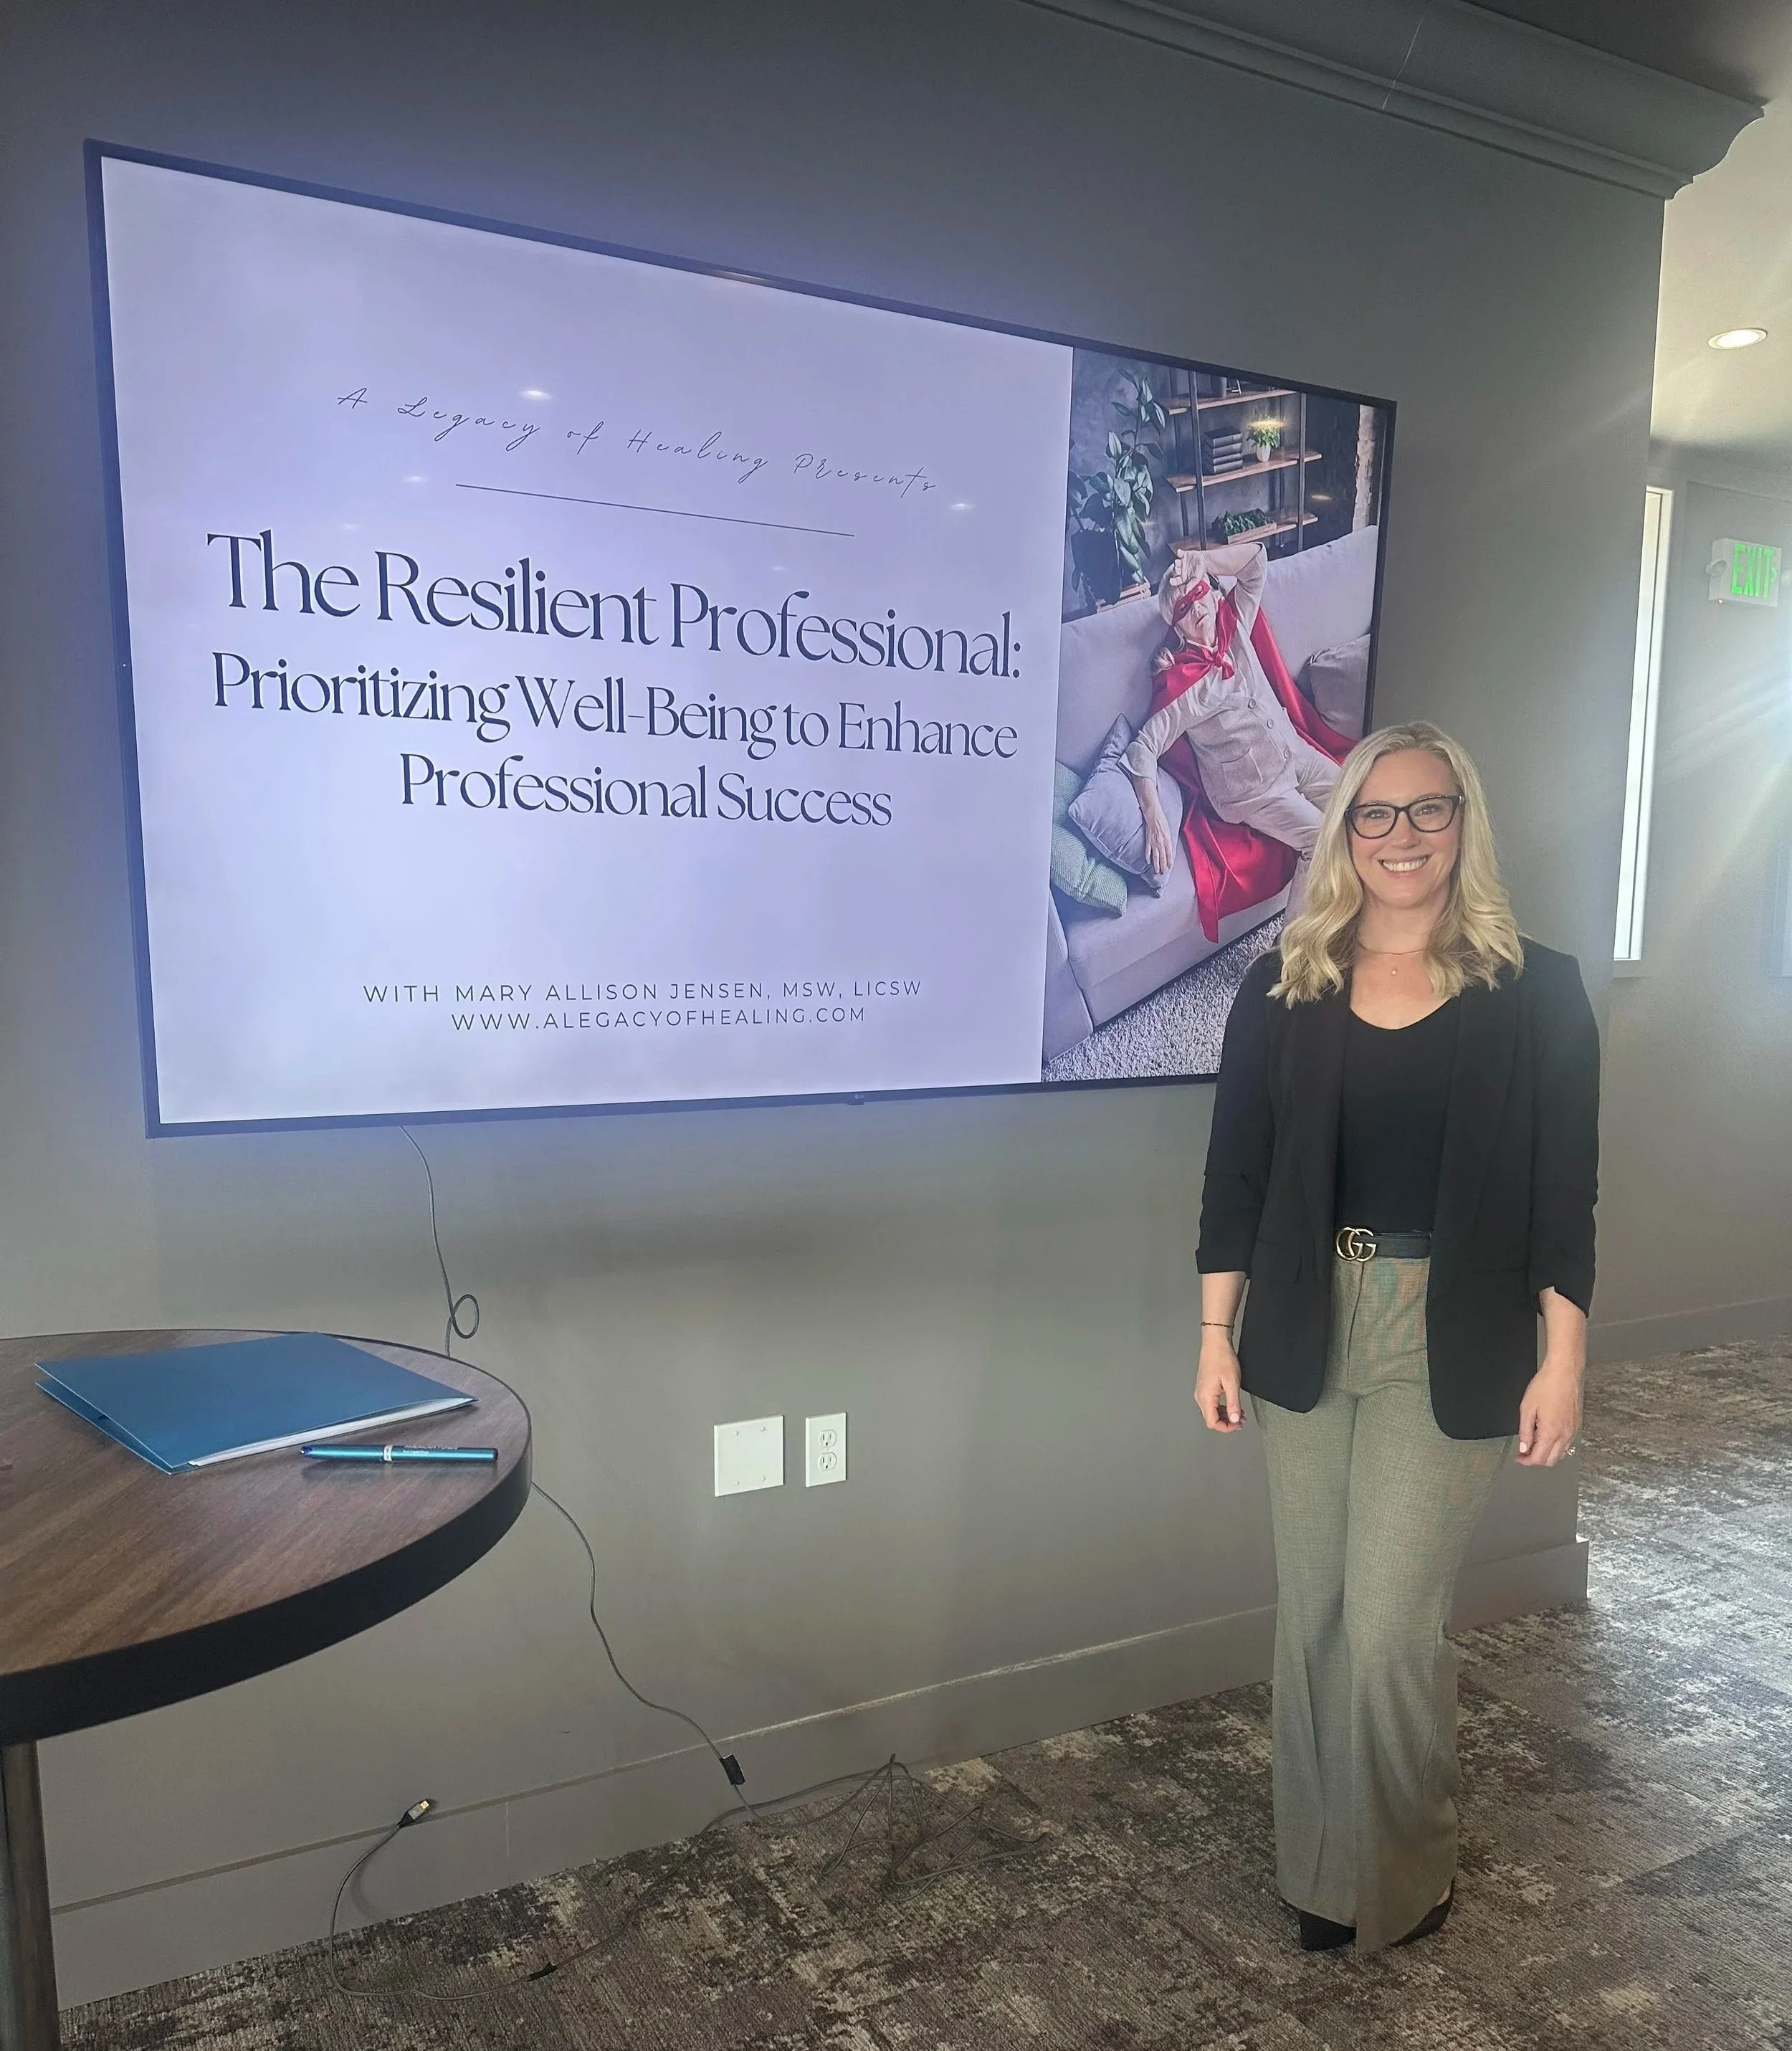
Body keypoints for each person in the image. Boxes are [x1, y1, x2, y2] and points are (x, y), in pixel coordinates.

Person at [1191, 719, 1599, 1954]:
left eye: (1428, 810)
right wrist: (1216, 1334)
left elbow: (1561, 1195)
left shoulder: (1542, 989)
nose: (1401, 836)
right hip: (1308, 1319)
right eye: (1376, 813)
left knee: (1385, 1629)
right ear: (1345, 831)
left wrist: (1565, 1356)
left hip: (1453, 1327)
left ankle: (1406, 1865)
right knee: (1311, 1613)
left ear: (1462, 824)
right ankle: (1324, 1873)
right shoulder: (1283, 985)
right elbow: (1235, 1180)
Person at [1123, 541, 1341, 916]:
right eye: (1183, 608)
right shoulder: (1181, 684)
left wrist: (1204, 560)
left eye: (1197, 593)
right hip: (1254, 790)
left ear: (1210, 589)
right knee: (1320, 838)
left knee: (1357, 796)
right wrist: (1153, 814)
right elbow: (1142, 749)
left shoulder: (1234, 621)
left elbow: (1257, 561)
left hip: (1294, 752)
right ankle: (1291, 957)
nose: (1196, 607)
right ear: (1176, 627)